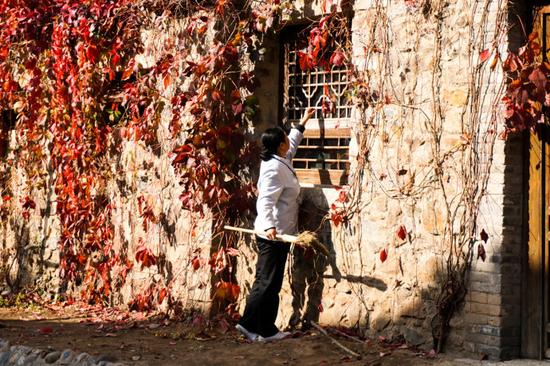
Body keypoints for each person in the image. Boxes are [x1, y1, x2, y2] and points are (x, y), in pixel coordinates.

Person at [236, 107, 315, 342]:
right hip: (273, 234)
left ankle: (264, 328)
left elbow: (293, 142)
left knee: (269, 280)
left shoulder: (279, 159)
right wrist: (270, 226)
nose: (288, 144)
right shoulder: (273, 168)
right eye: (284, 141)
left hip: (280, 232)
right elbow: (265, 200)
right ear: (279, 146)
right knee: (267, 281)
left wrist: (303, 122)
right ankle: (250, 325)